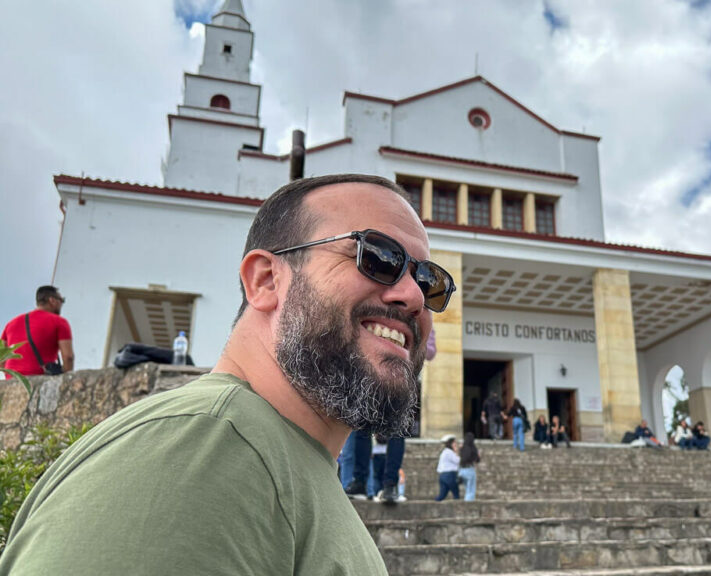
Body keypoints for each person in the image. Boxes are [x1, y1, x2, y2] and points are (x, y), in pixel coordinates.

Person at [1, 174, 457, 574]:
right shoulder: (199, 455)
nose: (414, 297)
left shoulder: (274, 459)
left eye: (428, 280)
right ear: (265, 280)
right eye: (377, 256)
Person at [344, 328, 436, 503]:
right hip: (372, 370)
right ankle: (360, 482)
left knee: (397, 431)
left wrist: (412, 343)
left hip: (401, 374)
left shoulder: (423, 315)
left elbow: (431, 351)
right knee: (362, 426)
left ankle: (390, 485)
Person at [1, 285, 74, 376]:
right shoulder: (59, 322)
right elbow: (68, 357)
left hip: (13, 380)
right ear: (52, 300)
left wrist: (10, 375)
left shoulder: (11, 324)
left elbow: (1, 357)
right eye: (61, 300)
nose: (61, 304)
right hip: (40, 379)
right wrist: (66, 380)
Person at [436, 434, 461, 501]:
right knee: (456, 494)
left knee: (442, 495)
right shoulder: (449, 452)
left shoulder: (445, 452)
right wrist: (456, 451)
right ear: (451, 444)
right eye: (454, 443)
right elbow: (458, 461)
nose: (456, 444)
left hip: (443, 475)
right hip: (449, 475)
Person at [458, 432, 481, 501]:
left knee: (467, 489)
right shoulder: (473, 448)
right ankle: (468, 505)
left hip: (462, 470)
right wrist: (478, 456)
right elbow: (477, 460)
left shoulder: (462, 447)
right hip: (469, 469)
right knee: (471, 490)